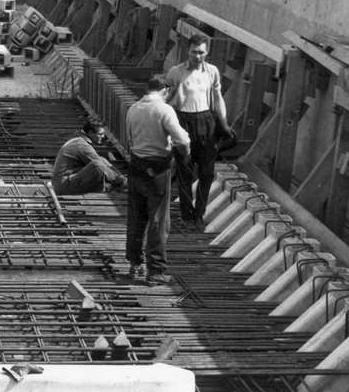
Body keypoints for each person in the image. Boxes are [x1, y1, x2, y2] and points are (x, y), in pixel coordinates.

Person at [125, 74, 192, 285]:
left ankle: (135, 264)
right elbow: (182, 139)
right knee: (158, 221)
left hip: (136, 167)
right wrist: (186, 151)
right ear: (166, 90)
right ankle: (155, 272)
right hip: (157, 171)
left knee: (136, 217)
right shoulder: (164, 110)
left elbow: (130, 139)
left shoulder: (133, 109)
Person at [164, 36, 230, 222]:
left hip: (206, 120)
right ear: (188, 51)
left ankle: (199, 213)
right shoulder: (176, 72)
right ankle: (186, 214)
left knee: (207, 172)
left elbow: (217, 98)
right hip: (183, 121)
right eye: (194, 51)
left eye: (201, 52)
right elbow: (165, 98)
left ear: (206, 52)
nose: (197, 56)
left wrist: (223, 122)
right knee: (185, 170)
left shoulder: (212, 72)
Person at [51, 120, 126, 196]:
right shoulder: (81, 145)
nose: (103, 137)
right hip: (63, 186)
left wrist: (119, 175)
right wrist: (118, 179)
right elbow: (98, 164)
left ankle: (119, 181)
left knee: (102, 160)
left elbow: (101, 161)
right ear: (90, 133)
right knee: (97, 164)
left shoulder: (79, 141)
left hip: (65, 183)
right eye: (100, 134)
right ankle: (120, 182)